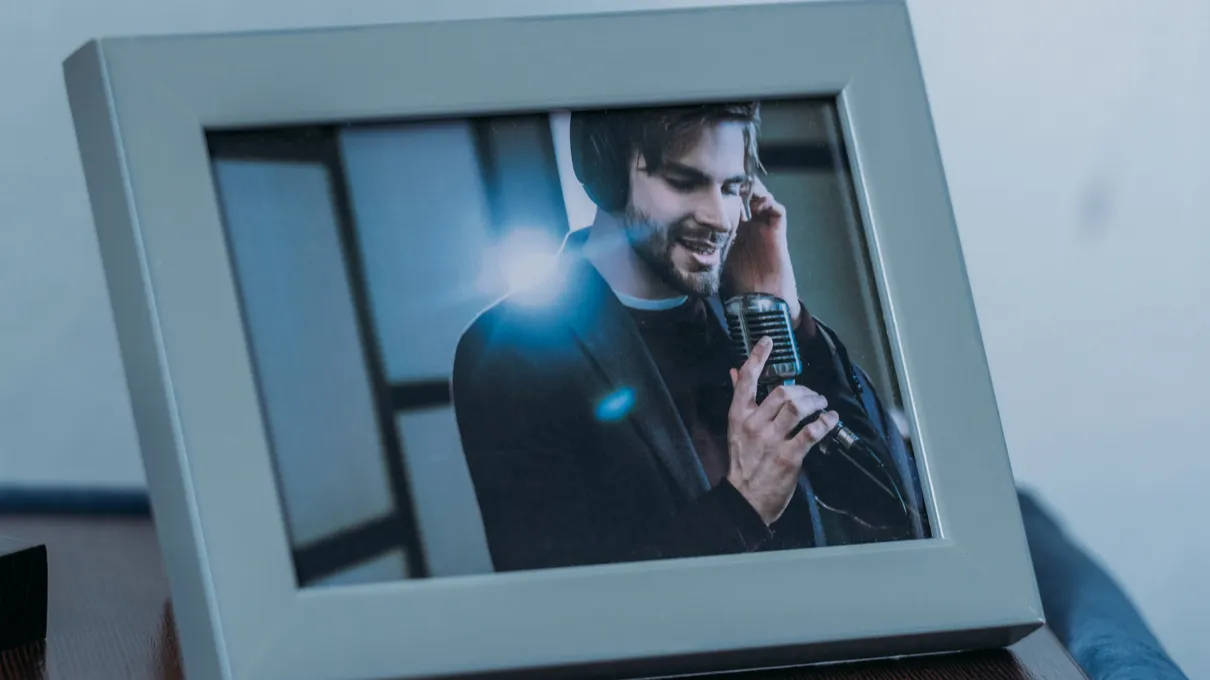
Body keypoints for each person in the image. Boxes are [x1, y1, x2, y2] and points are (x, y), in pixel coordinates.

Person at [451, 102, 927, 573]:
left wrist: (785, 308)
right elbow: (569, 606)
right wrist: (744, 509)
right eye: (685, 182)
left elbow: (900, 507)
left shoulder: (744, 307)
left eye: (732, 187)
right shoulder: (506, 353)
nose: (721, 217)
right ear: (605, 173)